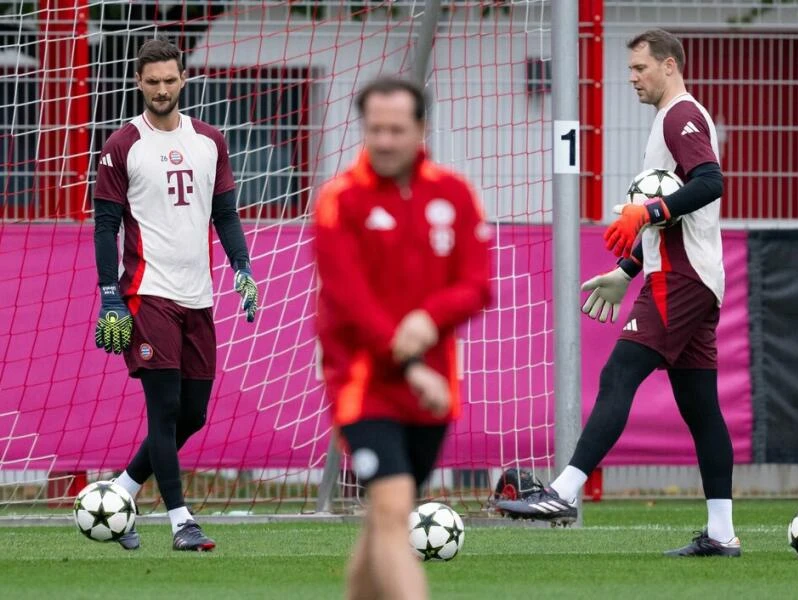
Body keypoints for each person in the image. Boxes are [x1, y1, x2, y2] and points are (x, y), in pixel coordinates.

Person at [497, 29, 739, 558]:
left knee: (619, 373)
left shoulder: (681, 115)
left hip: (681, 279)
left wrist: (647, 212)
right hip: (688, 276)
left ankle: (561, 493)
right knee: (701, 410)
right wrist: (626, 270)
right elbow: (679, 207)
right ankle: (721, 534)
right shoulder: (671, 118)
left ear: (669, 65)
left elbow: (710, 182)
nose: (631, 78)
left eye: (639, 68)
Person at [314, 77, 491, 598]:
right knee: (393, 510)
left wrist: (429, 318)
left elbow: (478, 285)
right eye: (375, 129)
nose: (385, 140)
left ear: (420, 129)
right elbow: (351, 305)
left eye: (396, 129)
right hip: (363, 383)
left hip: (432, 394)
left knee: (382, 521)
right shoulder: (339, 200)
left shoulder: (454, 193)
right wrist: (411, 364)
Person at [93, 38, 258, 551]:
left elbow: (225, 214)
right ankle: (182, 521)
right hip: (148, 294)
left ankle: (119, 493)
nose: (161, 89)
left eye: (169, 80)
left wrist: (243, 268)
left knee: (194, 414)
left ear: (183, 80)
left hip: (198, 296)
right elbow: (105, 227)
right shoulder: (122, 145)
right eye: (152, 81)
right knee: (163, 410)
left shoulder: (210, 140)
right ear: (138, 84)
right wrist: (110, 296)